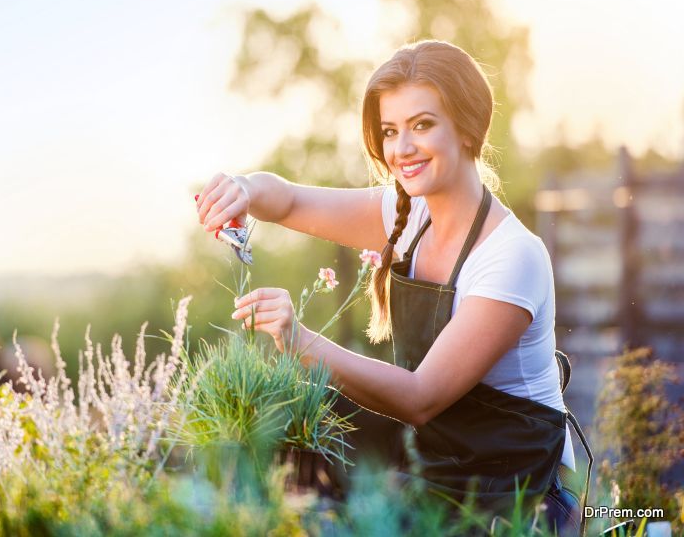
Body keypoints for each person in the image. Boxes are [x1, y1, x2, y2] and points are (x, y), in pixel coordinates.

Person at [195, 40, 591, 536]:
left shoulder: (511, 256)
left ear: (468, 127)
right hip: (435, 456)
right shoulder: (409, 218)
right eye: (389, 131)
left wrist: (299, 339)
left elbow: (420, 397)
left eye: (422, 125)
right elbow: (291, 202)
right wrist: (244, 189)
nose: (402, 148)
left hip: (514, 489)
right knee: (286, 434)